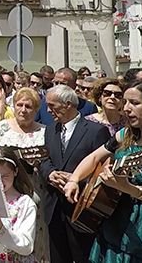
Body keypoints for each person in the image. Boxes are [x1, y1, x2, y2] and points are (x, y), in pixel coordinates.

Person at [63, 81, 142, 261]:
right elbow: (94, 158)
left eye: (134, 103)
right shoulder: (126, 134)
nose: (126, 108)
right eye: (125, 102)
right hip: (117, 218)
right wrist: (74, 180)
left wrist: (130, 189)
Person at [36, 85, 109, 263]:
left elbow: (103, 169)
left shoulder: (95, 131)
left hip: (81, 208)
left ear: (68, 104)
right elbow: (44, 159)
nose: (47, 110)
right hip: (54, 207)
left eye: (52, 106)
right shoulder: (50, 129)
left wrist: (77, 180)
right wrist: (50, 174)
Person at [0, 87, 48, 262]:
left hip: (32, 189)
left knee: (31, 231)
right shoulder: (0, 127)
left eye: (29, 106)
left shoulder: (43, 131)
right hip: (1, 189)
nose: (23, 110)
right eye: (19, 105)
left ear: (36, 110)